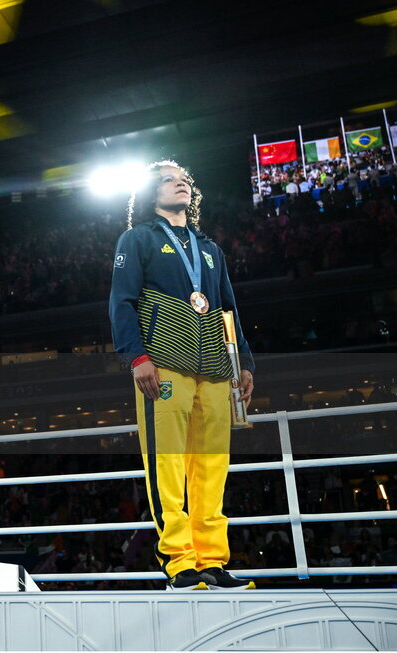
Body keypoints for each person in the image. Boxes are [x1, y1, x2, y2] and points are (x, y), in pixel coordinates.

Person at [108, 160, 256, 591]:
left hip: (214, 369)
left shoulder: (210, 249)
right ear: (151, 194)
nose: (182, 184)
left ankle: (212, 560)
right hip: (164, 363)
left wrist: (244, 363)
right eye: (171, 180)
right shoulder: (136, 239)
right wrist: (136, 357)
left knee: (212, 469)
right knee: (167, 466)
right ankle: (179, 560)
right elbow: (121, 302)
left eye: (186, 180)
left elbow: (229, 309)